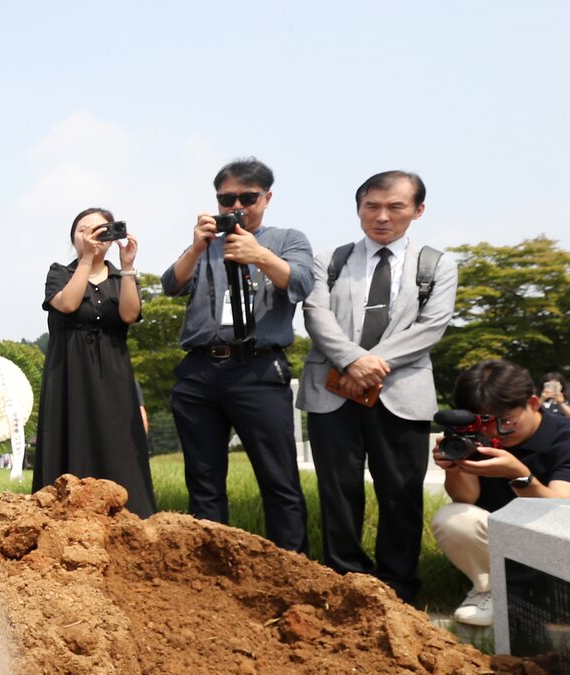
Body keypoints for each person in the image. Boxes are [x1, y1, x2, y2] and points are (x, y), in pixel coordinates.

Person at [297, 171, 457, 604]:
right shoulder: (329, 260)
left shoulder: (437, 264)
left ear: (418, 210)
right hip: (333, 390)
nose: (382, 216)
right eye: (372, 206)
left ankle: (399, 588)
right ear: (359, 208)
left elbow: (431, 327)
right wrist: (352, 359)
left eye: (395, 207)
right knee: (338, 490)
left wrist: (373, 363)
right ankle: (346, 581)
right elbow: (315, 313)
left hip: (401, 391)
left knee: (401, 493)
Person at [163, 158, 314, 553]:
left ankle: (292, 569)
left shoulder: (286, 238)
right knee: (203, 480)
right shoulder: (207, 244)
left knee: (278, 478)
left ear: (267, 197)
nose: (237, 207)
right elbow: (170, 285)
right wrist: (197, 246)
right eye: (226, 199)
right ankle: (211, 573)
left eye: (248, 197)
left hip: (259, 367)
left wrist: (258, 253)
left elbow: (300, 282)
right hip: (200, 367)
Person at [431, 360, 570, 626]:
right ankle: (489, 589)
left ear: (533, 403)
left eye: (505, 421)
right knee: (453, 518)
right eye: (482, 422)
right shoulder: (469, 432)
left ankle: (543, 596)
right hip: (499, 540)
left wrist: (517, 474)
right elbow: (465, 499)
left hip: (556, 545)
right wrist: (455, 467)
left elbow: (564, 515)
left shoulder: (568, 436)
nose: (493, 431)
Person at [33, 207, 155, 516]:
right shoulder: (60, 271)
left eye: (100, 229)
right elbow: (69, 303)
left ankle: (128, 519)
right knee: (69, 444)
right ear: (73, 238)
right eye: (82, 230)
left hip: (114, 377)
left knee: (120, 448)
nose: (90, 235)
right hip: (69, 378)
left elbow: (129, 314)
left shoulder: (120, 276)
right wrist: (87, 259)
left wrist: (127, 266)